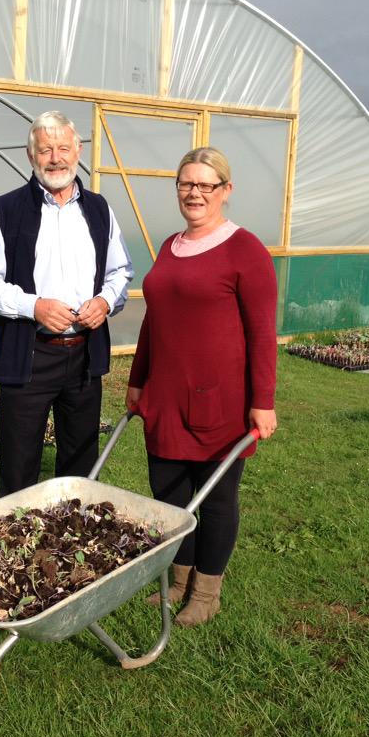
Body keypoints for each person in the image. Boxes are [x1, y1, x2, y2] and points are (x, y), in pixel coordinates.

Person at [126, 146, 277, 627]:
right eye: (186, 184)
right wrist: (136, 382)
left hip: (220, 400)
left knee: (214, 500)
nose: (194, 193)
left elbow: (261, 334)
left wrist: (263, 403)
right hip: (166, 396)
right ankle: (178, 580)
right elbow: (155, 320)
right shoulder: (170, 245)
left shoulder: (244, 250)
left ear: (225, 191)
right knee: (169, 495)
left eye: (205, 185)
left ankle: (206, 592)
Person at [0, 111, 133, 497]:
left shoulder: (98, 208)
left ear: (78, 151)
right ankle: (13, 544)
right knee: (19, 461)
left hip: (83, 355)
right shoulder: (7, 209)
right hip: (30, 355)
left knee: (80, 460)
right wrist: (34, 307)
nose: (55, 158)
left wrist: (105, 301)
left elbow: (121, 270)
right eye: (45, 150)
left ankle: (71, 542)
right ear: (31, 156)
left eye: (63, 148)